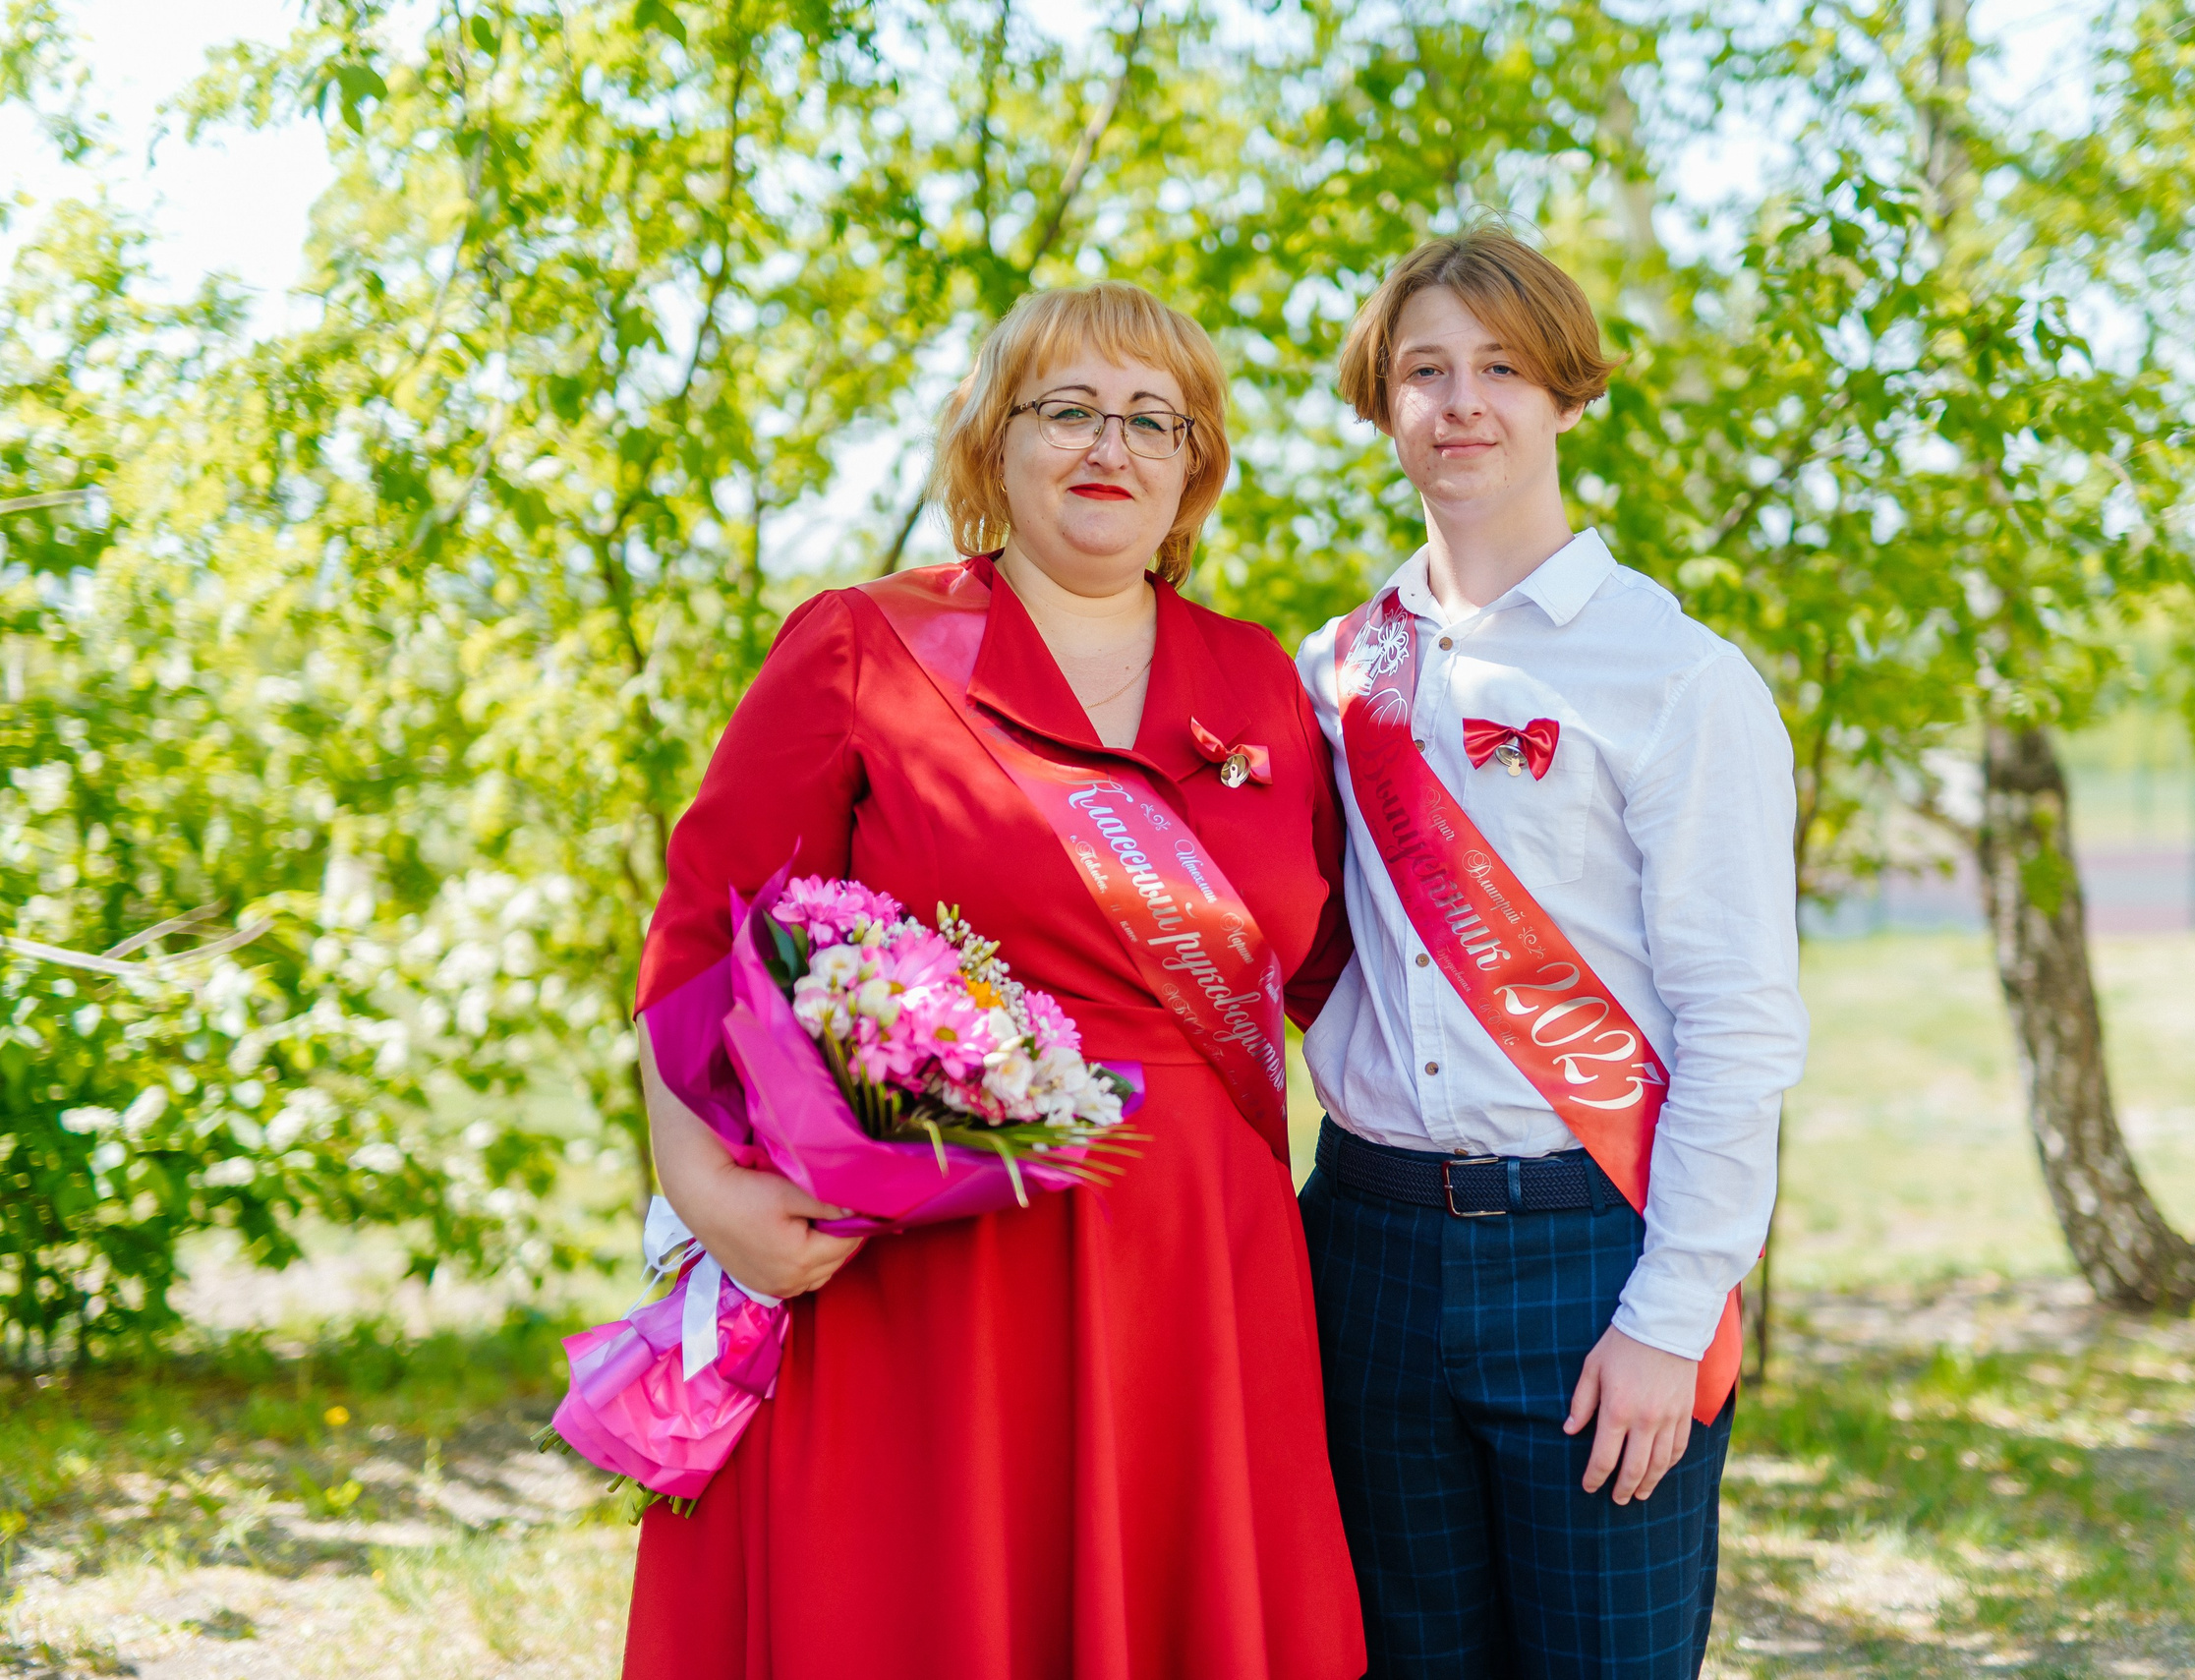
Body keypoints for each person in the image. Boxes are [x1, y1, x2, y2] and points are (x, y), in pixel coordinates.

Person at [622, 282, 1366, 1680]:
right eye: (1069, 409)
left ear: (1195, 467)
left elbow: (1332, 969)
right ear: (994, 442)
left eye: (1157, 418)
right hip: (938, 1280)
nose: (1114, 445)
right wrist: (712, 1200)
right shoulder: (865, 645)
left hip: (1200, 1278)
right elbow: (700, 943)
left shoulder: (1264, 682)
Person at [1293, 224, 1809, 1678]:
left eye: (1502, 368)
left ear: (1568, 396)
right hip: (1366, 1247)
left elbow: (1739, 1028)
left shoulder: (1677, 675)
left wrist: (1671, 1311)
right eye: (1425, 370)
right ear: (1381, 404)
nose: (1462, 403)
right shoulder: (1330, 676)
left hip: (1597, 1252)